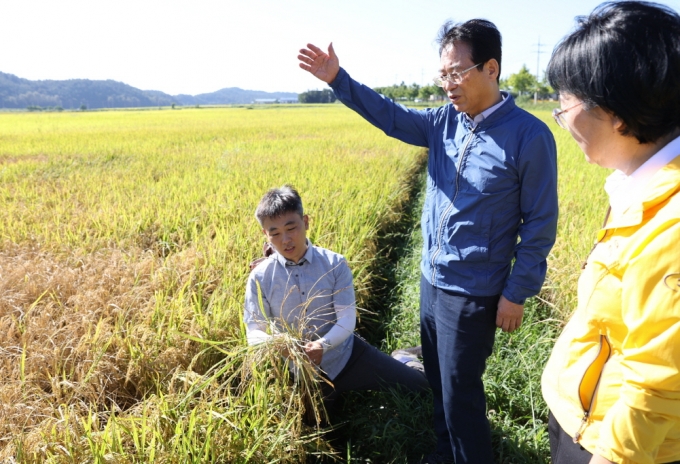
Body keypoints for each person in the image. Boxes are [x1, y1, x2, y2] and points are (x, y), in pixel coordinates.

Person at [298, 19, 558, 464]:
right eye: (443, 74)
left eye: (457, 72)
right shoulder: (443, 123)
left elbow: (539, 224)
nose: (448, 84)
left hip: (474, 290)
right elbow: (389, 116)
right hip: (431, 280)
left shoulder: (528, 137)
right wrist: (338, 80)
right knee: (439, 381)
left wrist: (516, 293)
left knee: (461, 394)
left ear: (491, 68)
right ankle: (445, 452)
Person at [540, 2, 680, 464]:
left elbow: (656, 382)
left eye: (566, 103)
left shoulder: (673, 223)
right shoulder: (635, 184)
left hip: (611, 444)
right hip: (585, 417)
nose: (562, 119)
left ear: (617, 112)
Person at [243, 185, 429, 420]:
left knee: (420, 387)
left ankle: (403, 356)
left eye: (292, 228)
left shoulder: (334, 264)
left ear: (306, 222)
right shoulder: (259, 277)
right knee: (319, 429)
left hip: (347, 355)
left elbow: (347, 318)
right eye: (275, 233)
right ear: (265, 235)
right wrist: (279, 344)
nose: (286, 239)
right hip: (302, 372)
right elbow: (254, 332)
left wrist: (322, 345)